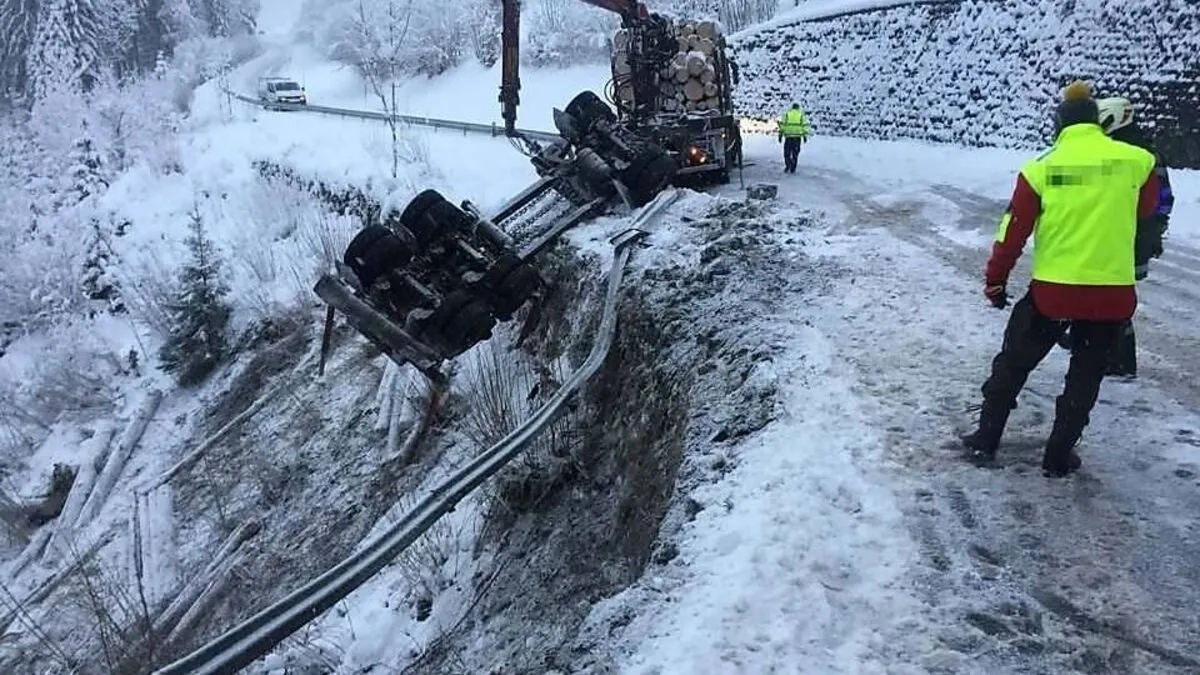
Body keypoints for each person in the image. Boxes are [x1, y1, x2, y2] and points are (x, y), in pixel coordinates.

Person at [962, 81, 1161, 478]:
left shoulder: (1040, 167)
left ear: (1060, 124)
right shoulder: (1138, 162)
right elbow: (1146, 212)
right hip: (1111, 296)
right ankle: (1058, 456)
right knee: (1085, 376)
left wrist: (996, 281)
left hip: (1053, 294)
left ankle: (986, 438)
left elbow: (1011, 232)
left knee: (1014, 362)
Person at [1056, 96, 1176, 378]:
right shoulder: (1139, 150)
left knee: (1114, 296)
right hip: (1130, 235)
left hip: (1128, 236)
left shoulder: (1135, 152)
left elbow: (1160, 198)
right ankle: (1107, 351)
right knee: (1112, 293)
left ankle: (1118, 359)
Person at [777, 102, 810, 173]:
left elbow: (782, 125)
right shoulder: (801, 115)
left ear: (792, 107)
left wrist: (780, 134)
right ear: (798, 108)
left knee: (787, 152)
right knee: (795, 153)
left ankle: (788, 164)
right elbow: (805, 126)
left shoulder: (787, 114)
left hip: (788, 136)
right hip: (797, 137)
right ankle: (793, 167)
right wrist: (805, 136)